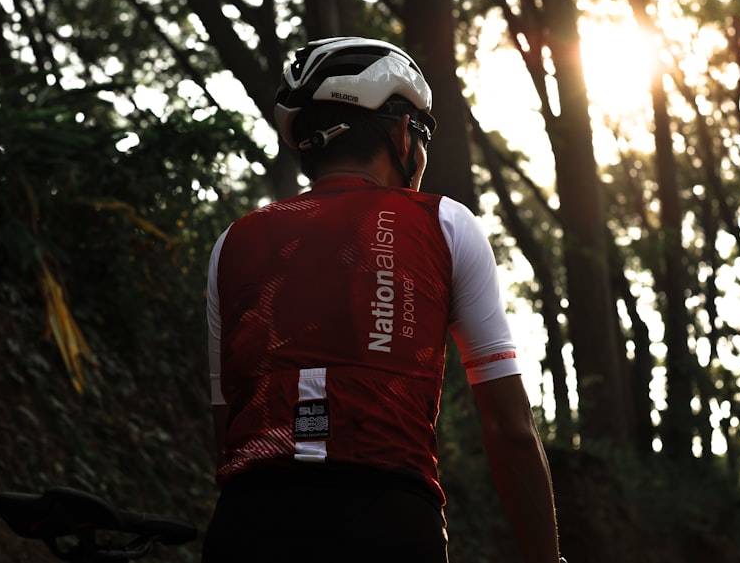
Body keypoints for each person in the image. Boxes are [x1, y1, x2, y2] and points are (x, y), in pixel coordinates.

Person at [203, 36, 563, 563]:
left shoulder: (231, 243)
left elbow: (227, 425)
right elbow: (509, 428)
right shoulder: (445, 223)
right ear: (401, 131)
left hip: (249, 521)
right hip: (387, 517)